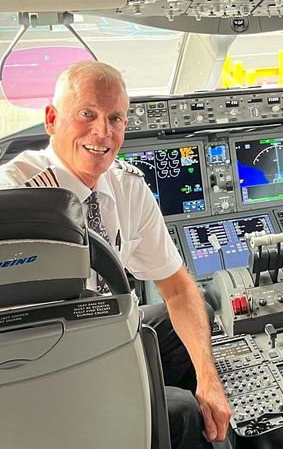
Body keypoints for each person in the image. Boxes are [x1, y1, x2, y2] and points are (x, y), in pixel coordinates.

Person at [0, 61, 231, 449]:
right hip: (40, 360)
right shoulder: (12, 193)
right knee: (183, 411)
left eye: (116, 118)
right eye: (87, 114)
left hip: (106, 332)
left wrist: (209, 379)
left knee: (197, 316)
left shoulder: (127, 187)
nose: (102, 132)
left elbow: (177, 289)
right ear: (52, 119)